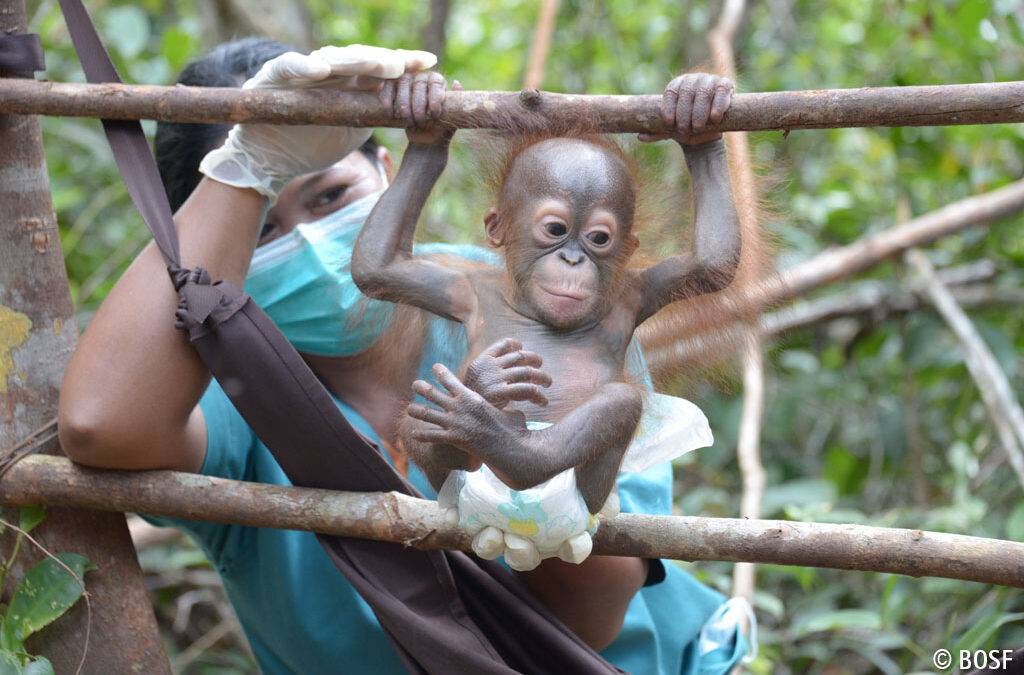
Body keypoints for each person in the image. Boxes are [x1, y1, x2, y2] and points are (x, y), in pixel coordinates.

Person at [58, 38, 749, 674]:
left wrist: (491, 449)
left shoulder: (536, 303)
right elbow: (98, 423)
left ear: (384, 170)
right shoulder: (237, 392)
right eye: (264, 224)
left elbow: (591, 614)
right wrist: (246, 166)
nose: (308, 245)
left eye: (330, 197)